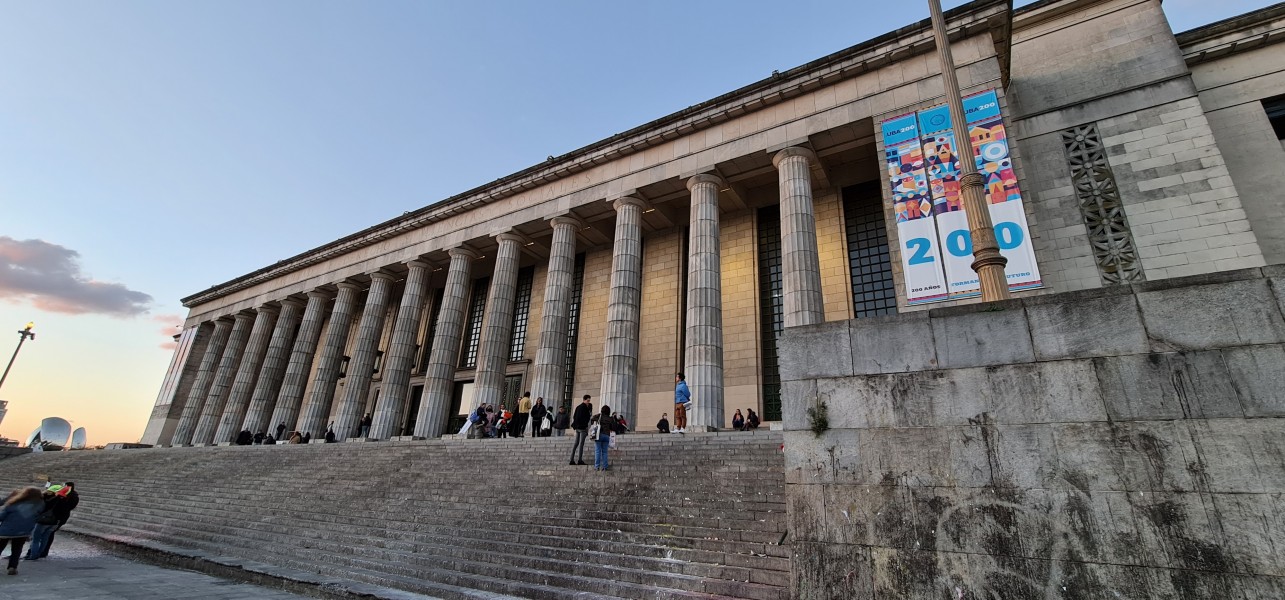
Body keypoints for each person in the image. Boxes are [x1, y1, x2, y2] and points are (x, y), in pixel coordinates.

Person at [0, 487, 43, 575]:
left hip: (6, 531)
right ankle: (13, 567)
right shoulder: (39, 505)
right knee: (17, 550)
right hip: (24, 532)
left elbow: (1, 517)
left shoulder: (14, 504)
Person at [30, 482, 77, 560]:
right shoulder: (67, 498)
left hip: (45, 520)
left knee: (36, 538)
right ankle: (42, 553)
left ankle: (33, 554)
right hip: (56, 521)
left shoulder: (52, 499)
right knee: (46, 536)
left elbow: (43, 507)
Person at [24, 485, 64, 562]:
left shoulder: (45, 499)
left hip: (43, 521)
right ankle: (40, 553)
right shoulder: (62, 500)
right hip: (54, 522)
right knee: (45, 538)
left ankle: (33, 555)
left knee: (36, 539)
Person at [569, 395, 592, 465]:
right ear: (584, 400)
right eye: (588, 400)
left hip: (578, 427)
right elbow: (585, 418)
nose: (588, 402)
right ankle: (579, 460)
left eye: (589, 401)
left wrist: (576, 425)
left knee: (576, 444)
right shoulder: (584, 407)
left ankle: (571, 460)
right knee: (581, 444)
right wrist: (585, 427)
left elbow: (574, 416)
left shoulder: (578, 407)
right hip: (582, 428)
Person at [592, 405, 615, 471]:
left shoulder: (599, 416)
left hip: (599, 435)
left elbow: (592, 419)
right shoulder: (610, 418)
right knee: (605, 452)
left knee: (597, 451)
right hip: (607, 435)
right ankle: (605, 466)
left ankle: (597, 466)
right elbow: (613, 427)